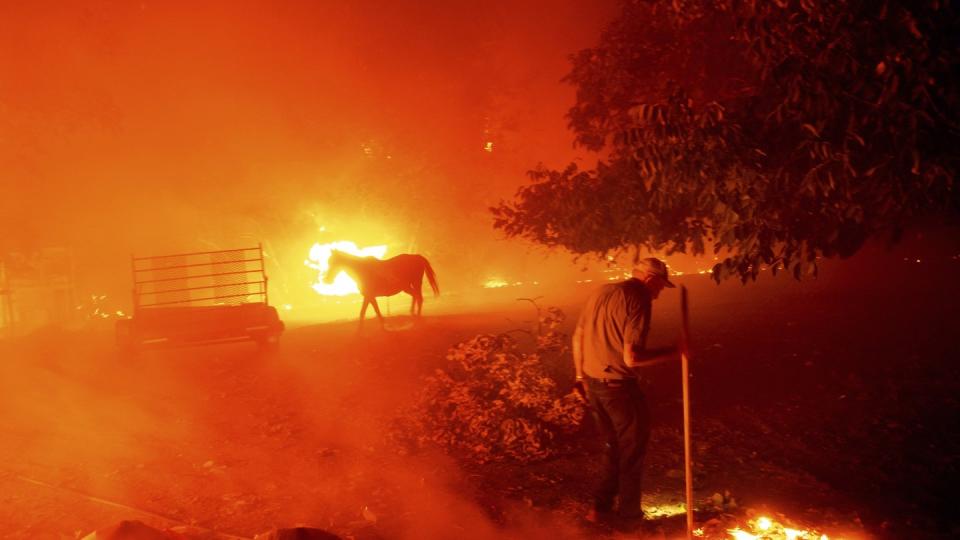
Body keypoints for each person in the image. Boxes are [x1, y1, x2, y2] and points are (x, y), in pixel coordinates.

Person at [572, 257, 678, 525]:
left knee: (613, 448)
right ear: (650, 280)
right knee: (631, 452)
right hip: (619, 388)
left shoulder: (602, 291)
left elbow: (578, 336)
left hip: (594, 385)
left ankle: (600, 510)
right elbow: (632, 357)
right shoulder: (638, 299)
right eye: (660, 287)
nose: (659, 294)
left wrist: (579, 377)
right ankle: (630, 520)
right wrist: (675, 352)